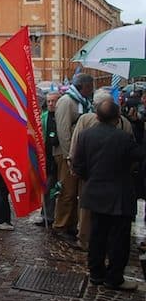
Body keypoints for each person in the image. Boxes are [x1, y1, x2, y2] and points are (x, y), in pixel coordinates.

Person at [72, 99, 143, 291]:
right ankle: (114, 278)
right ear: (118, 118)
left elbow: (78, 165)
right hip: (119, 195)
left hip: (95, 193)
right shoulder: (124, 138)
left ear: (96, 116)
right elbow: (139, 155)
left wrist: (92, 178)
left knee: (97, 235)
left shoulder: (85, 136)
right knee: (119, 239)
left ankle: (96, 273)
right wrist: (137, 126)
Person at [69, 90, 132, 251]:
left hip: (90, 178)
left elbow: (76, 147)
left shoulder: (85, 121)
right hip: (117, 181)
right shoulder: (125, 124)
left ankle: (85, 239)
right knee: (111, 217)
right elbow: (132, 155)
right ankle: (107, 244)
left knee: (87, 212)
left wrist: (76, 168)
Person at [52, 73, 94, 242]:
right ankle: (60, 225)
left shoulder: (82, 102)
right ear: (83, 86)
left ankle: (70, 223)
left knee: (75, 192)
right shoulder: (67, 102)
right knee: (67, 192)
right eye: (90, 86)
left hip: (76, 154)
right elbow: (63, 131)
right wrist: (70, 156)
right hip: (67, 154)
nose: (92, 90)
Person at [36, 92, 60, 227]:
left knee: (58, 189)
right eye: (49, 101)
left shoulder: (61, 116)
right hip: (47, 158)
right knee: (48, 187)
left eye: (53, 101)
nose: (51, 104)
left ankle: (56, 215)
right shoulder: (44, 117)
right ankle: (47, 215)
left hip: (60, 157)